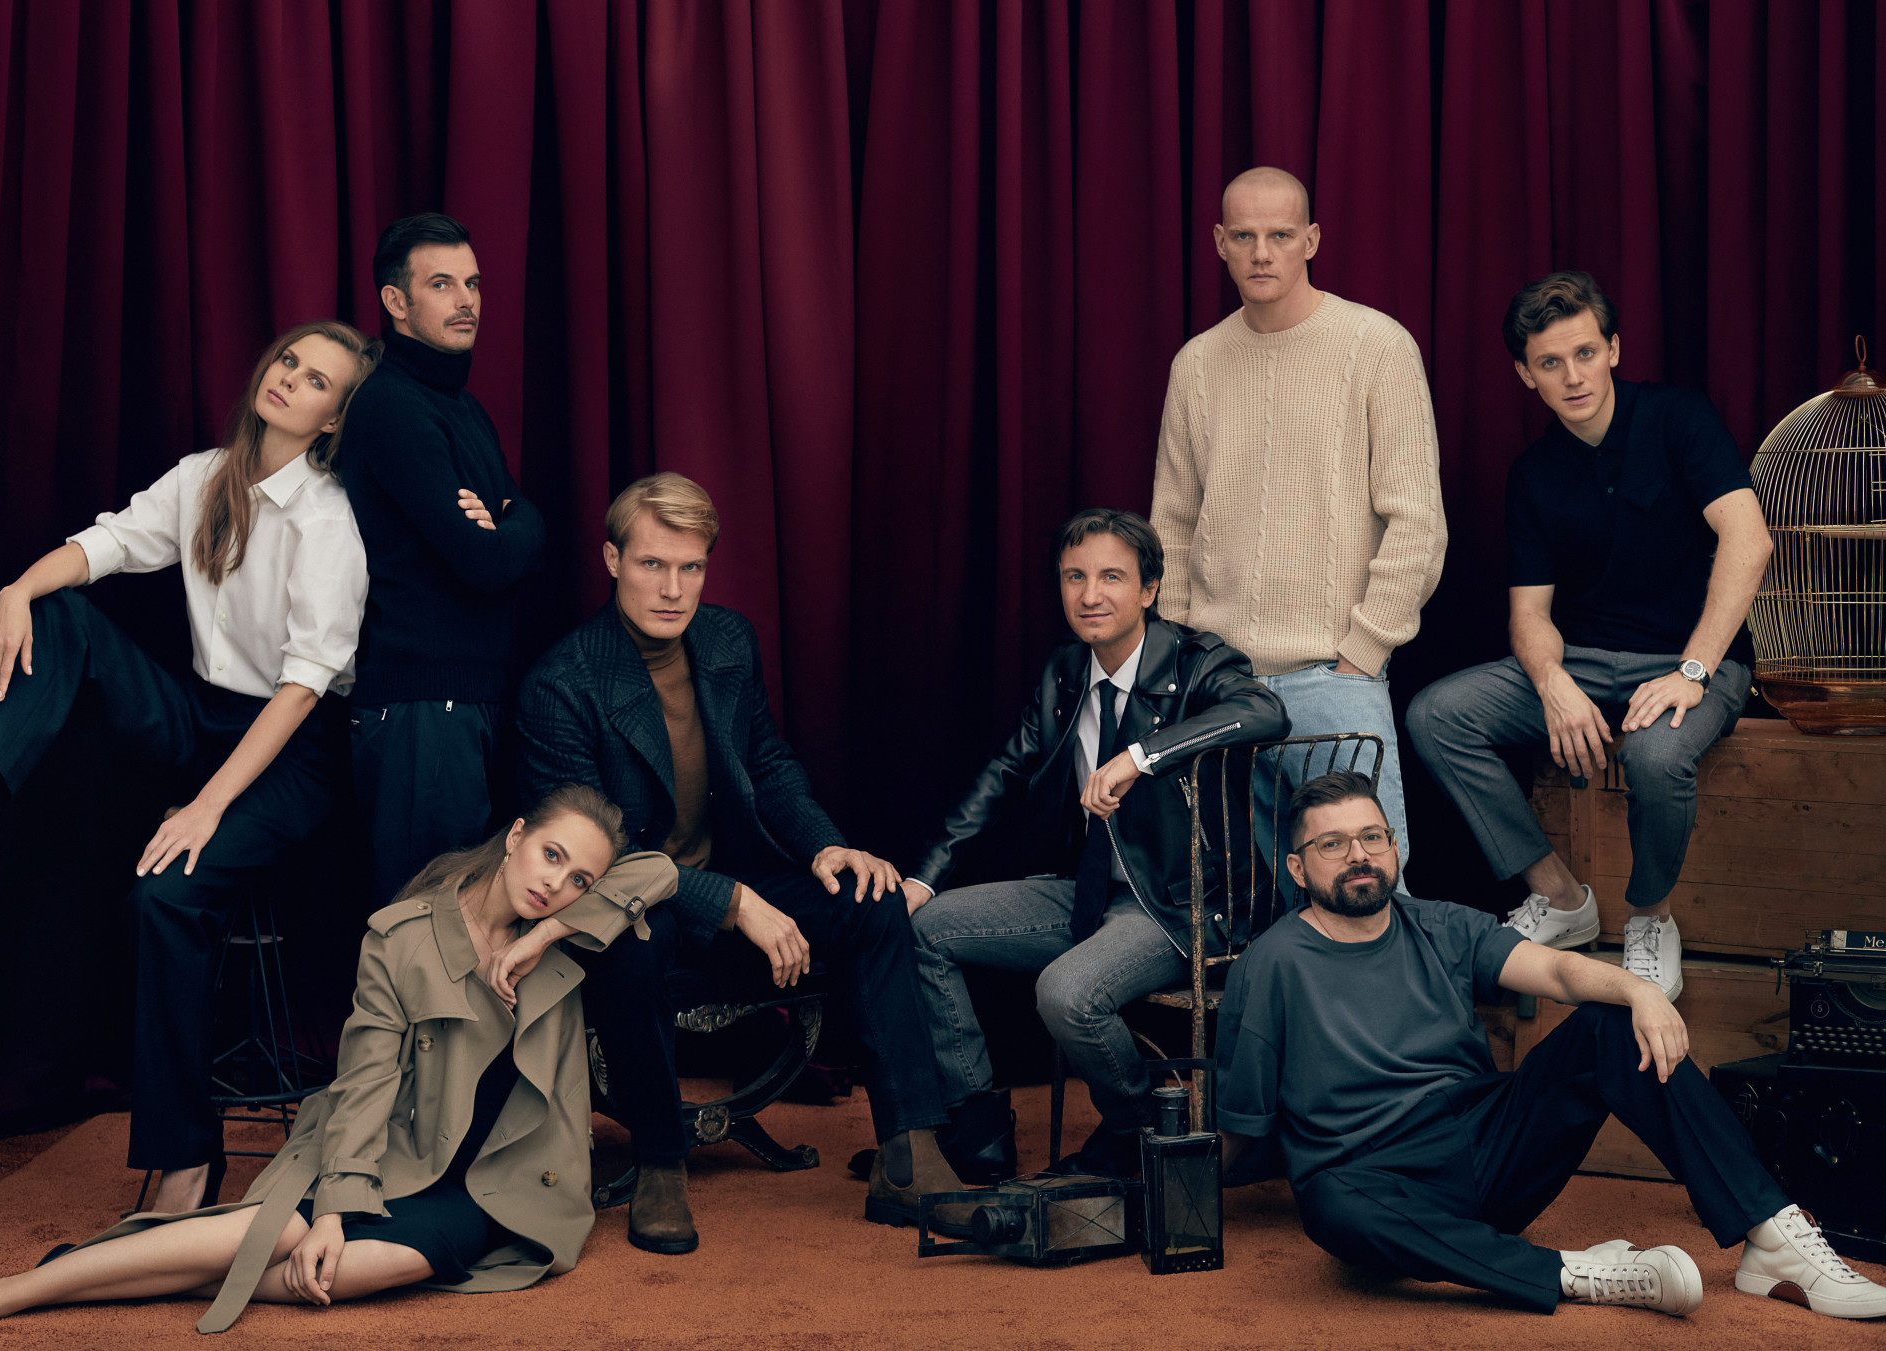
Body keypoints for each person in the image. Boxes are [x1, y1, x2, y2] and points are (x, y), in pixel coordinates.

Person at [0, 321, 379, 1214]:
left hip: (289, 752)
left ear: (333, 420)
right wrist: (17, 590)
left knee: (164, 896)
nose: (289, 379)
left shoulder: (327, 521)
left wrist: (206, 808)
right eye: (289, 361)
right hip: (199, 715)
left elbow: (302, 692)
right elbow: (104, 545)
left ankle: (188, 1157)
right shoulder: (203, 476)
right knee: (61, 612)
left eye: (316, 382)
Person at [0, 785, 677, 1339]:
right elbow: (365, 1083)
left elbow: (664, 871)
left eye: (580, 878)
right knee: (283, 1235)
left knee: (361, 1268)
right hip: (388, 1146)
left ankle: (116, 1265)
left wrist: (548, 934)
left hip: (491, 1182)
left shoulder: (575, 935)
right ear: (515, 836)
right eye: (550, 854)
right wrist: (334, 1206)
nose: (556, 883)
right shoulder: (402, 935)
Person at [1213, 770, 1886, 1321]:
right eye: (1333, 844)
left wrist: (1640, 990)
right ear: (1297, 867)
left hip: (1489, 1143)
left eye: (1371, 836)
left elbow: (1559, 972)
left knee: (1610, 1022)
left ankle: (1771, 1235)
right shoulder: (1271, 965)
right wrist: (1186, 1192)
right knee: (1328, 1202)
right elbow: (1243, 1124)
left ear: (1394, 846)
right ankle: (1579, 1272)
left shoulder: (1442, 925)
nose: (1359, 855)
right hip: (1379, 1181)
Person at [515, 472, 970, 1255]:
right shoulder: (561, 685)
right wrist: (732, 902)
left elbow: (768, 763)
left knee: (874, 900)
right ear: (612, 559)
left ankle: (909, 1153)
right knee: (631, 943)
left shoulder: (727, 640)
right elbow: (597, 859)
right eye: (653, 564)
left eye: (690, 567)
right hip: (635, 904)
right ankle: (661, 1162)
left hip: (735, 882)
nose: (673, 588)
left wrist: (825, 845)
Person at [1406, 272, 1772, 1001]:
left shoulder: (1678, 417)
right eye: (1550, 362)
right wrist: (1553, 684)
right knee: (1436, 715)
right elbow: (1529, 616)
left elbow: (1749, 539)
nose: (1572, 376)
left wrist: (1693, 670)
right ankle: (1562, 898)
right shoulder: (1533, 474)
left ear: (1613, 349)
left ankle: (1650, 917)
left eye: (1584, 353)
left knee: (1655, 754)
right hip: (1584, 661)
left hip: (1695, 660)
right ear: (1526, 374)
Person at [904, 508, 1287, 1180]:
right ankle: (979, 1124)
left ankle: (1139, 1133)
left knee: (1066, 993)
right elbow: (1001, 775)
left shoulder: (1199, 661)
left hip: (1181, 904)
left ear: (1149, 589)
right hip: (1086, 890)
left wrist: (1141, 755)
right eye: (1074, 576)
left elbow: (1264, 711)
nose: (1090, 594)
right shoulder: (1065, 671)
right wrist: (924, 877)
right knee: (925, 928)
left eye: (1112, 576)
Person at [1149, 166, 1445, 882]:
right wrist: (1183, 667)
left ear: (1311, 240)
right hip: (1220, 687)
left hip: (1333, 678)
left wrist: (1361, 655)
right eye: (1244, 236)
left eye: (1281, 235)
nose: (1262, 253)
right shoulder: (1196, 364)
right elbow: (1173, 527)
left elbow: (1417, 521)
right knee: (1257, 907)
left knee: (1370, 894)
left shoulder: (1376, 345)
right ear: (1219, 242)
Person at [338, 212, 548, 905]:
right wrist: (515, 523)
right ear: (395, 302)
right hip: (420, 706)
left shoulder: (464, 408)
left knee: (457, 922)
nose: (466, 300)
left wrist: (515, 520)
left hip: (463, 701)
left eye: (473, 283)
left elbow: (519, 532)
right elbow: (486, 564)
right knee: (420, 925)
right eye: (441, 284)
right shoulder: (392, 406)